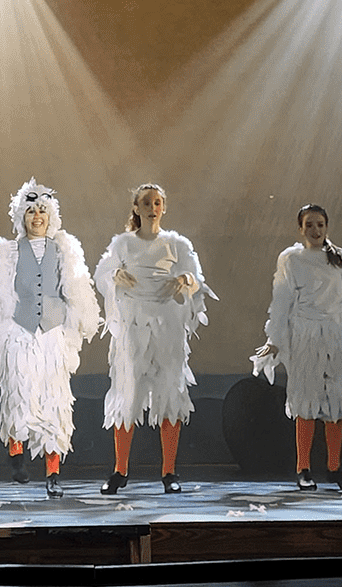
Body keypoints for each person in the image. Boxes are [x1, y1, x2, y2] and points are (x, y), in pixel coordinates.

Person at [0, 179, 101, 499]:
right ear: (20, 217)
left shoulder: (64, 249)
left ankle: (53, 473)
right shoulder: (6, 252)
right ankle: (17, 457)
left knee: (54, 403)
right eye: (30, 211)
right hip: (19, 333)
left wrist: (83, 320)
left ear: (50, 215)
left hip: (52, 334)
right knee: (19, 395)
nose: (37, 216)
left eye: (42, 210)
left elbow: (78, 287)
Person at [253, 205, 342, 492]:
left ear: (327, 227)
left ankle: (335, 468)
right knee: (306, 401)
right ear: (301, 229)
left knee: (336, 402)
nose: (315, 230)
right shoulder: (292, 259)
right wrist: (274, 339)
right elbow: (282, 300)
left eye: (320, 224)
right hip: (305, 336)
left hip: (335, 336)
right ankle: (303, 468)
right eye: (309, 225)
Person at [94, 183, 213, 495]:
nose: (152, 207)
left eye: (157, 202)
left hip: (167, 327)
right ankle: (120, 470)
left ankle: (169, 472)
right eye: (146, 202)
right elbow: (102, 274)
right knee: (127, 394)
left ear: (163, 207)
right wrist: (113, 277)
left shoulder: (177, 243)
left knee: (169, 394)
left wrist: (187, 281)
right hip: (133, 327)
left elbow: (196, 280)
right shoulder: (122, 243)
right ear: (136, 208)